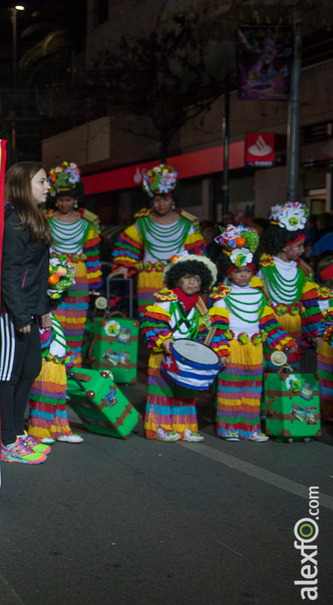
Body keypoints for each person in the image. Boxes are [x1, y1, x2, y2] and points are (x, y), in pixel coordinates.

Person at [210, 226, 296, 441]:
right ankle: (228, 427)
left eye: (247, 271)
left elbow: (270, 324)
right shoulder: (222, 296)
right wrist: (220, 352)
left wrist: (285, 342)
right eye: (238, 272)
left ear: (252, 272)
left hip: (255, 349)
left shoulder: (258, 296)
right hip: (233, 348)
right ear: (230, 272)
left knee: (253, 389)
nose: (243, 275)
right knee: (230, 388)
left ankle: (250, 428)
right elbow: (217, 327)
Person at [0, 162, 53, 465]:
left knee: (30, 368)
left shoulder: (34, 218)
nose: (47, 188)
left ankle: (17, 432)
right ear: (23, 184)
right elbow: (9, 273)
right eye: (42, 181)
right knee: (9, 374)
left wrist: (42, 309)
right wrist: (20, 315)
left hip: (30, 308)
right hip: (11, 311)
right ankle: (6, 439)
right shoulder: (13, 220)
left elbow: (39, 272)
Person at [142, 255, 229, 442]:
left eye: (197, 279)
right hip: (164, 355)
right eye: (188, 277)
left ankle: (185, 427)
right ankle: (159, 428)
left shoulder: (201, 306)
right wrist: (165, 341)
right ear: (178, 278)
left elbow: (209, 333)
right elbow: (153, 323)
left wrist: (220, 353)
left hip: (187, 357)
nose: (192, 282)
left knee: (186, 393)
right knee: (162, 392)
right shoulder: (166, 300)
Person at [110, 164, 206, 317]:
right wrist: (124, 266)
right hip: (148, 279)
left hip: (177, 280)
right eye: (157, 200)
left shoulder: (187, 223)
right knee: (149, 319)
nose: (161, 204)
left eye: (166, 199)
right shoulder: (142, 222)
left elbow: (196, 254)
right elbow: (129, 245)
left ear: (173, 199)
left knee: (177, 319)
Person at [45, 162, 101, 365]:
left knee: (77, 322)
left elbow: (93, 254)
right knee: (53, 316)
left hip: (79, 276)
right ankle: (53, 361)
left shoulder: (88, 221)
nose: (63, 204)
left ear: (75, 199)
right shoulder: (46, 219)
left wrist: (96, 285)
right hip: (54, 273)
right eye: (60, 199)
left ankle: (73, 364)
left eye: (67, 199)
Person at [27, 256, 83, 445]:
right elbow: (40, 343)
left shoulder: (54, 319)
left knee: (59, 402)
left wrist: (68, 360)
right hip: (46, 367)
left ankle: (61, 430)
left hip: (58, 368)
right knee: (44, 401)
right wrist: (47, 328)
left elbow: (61, 343)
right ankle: (39, 433)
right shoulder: (40, 319)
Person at [258, 202, 321, 367]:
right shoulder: (263, 268)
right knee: (270, 371)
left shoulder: (303, 271)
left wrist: (316, 332)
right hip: (269, 328)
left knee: (291, 375)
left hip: (295, 328)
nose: (302, 250)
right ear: (285, 247)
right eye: (298, 246)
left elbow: (310, 306)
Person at [311, 253, 333, 421]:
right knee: (326, 374)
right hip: (327, 344)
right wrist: (317, 335)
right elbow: (318, 319)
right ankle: (325, 410)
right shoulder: (322, 297)